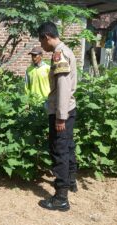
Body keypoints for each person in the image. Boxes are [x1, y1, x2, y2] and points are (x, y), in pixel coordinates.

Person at [36, 21, 78, 212]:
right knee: (68, 147)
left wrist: (60, 117)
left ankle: (61, 197)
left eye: (41, 41)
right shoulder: (67, 51)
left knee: (59, 150)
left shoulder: (58, 55)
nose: (41, 46)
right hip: (69, 109)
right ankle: (70, 181)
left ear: (46, 37)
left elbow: (62, 87)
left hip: (62, 111)